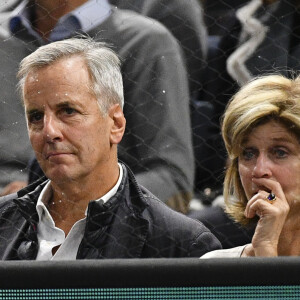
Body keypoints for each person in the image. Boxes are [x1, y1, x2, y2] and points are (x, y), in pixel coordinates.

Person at [0, 37, 221, 260]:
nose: (49, 132)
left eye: (68, 111)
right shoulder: (3, 221)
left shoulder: (180, 243)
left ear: (115, 124)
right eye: (36, 117)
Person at [0, 0, 194, 214]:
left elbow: (172, 179)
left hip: (99, 220)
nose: (50, 131)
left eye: (68, 111)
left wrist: (64, 203)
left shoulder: (145, 41)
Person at [202, 74, 300, 257]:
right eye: (248, 153)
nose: (259, 170)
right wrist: (265, 244)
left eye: (280, 152)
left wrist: (267, 250)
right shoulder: (214, 266)